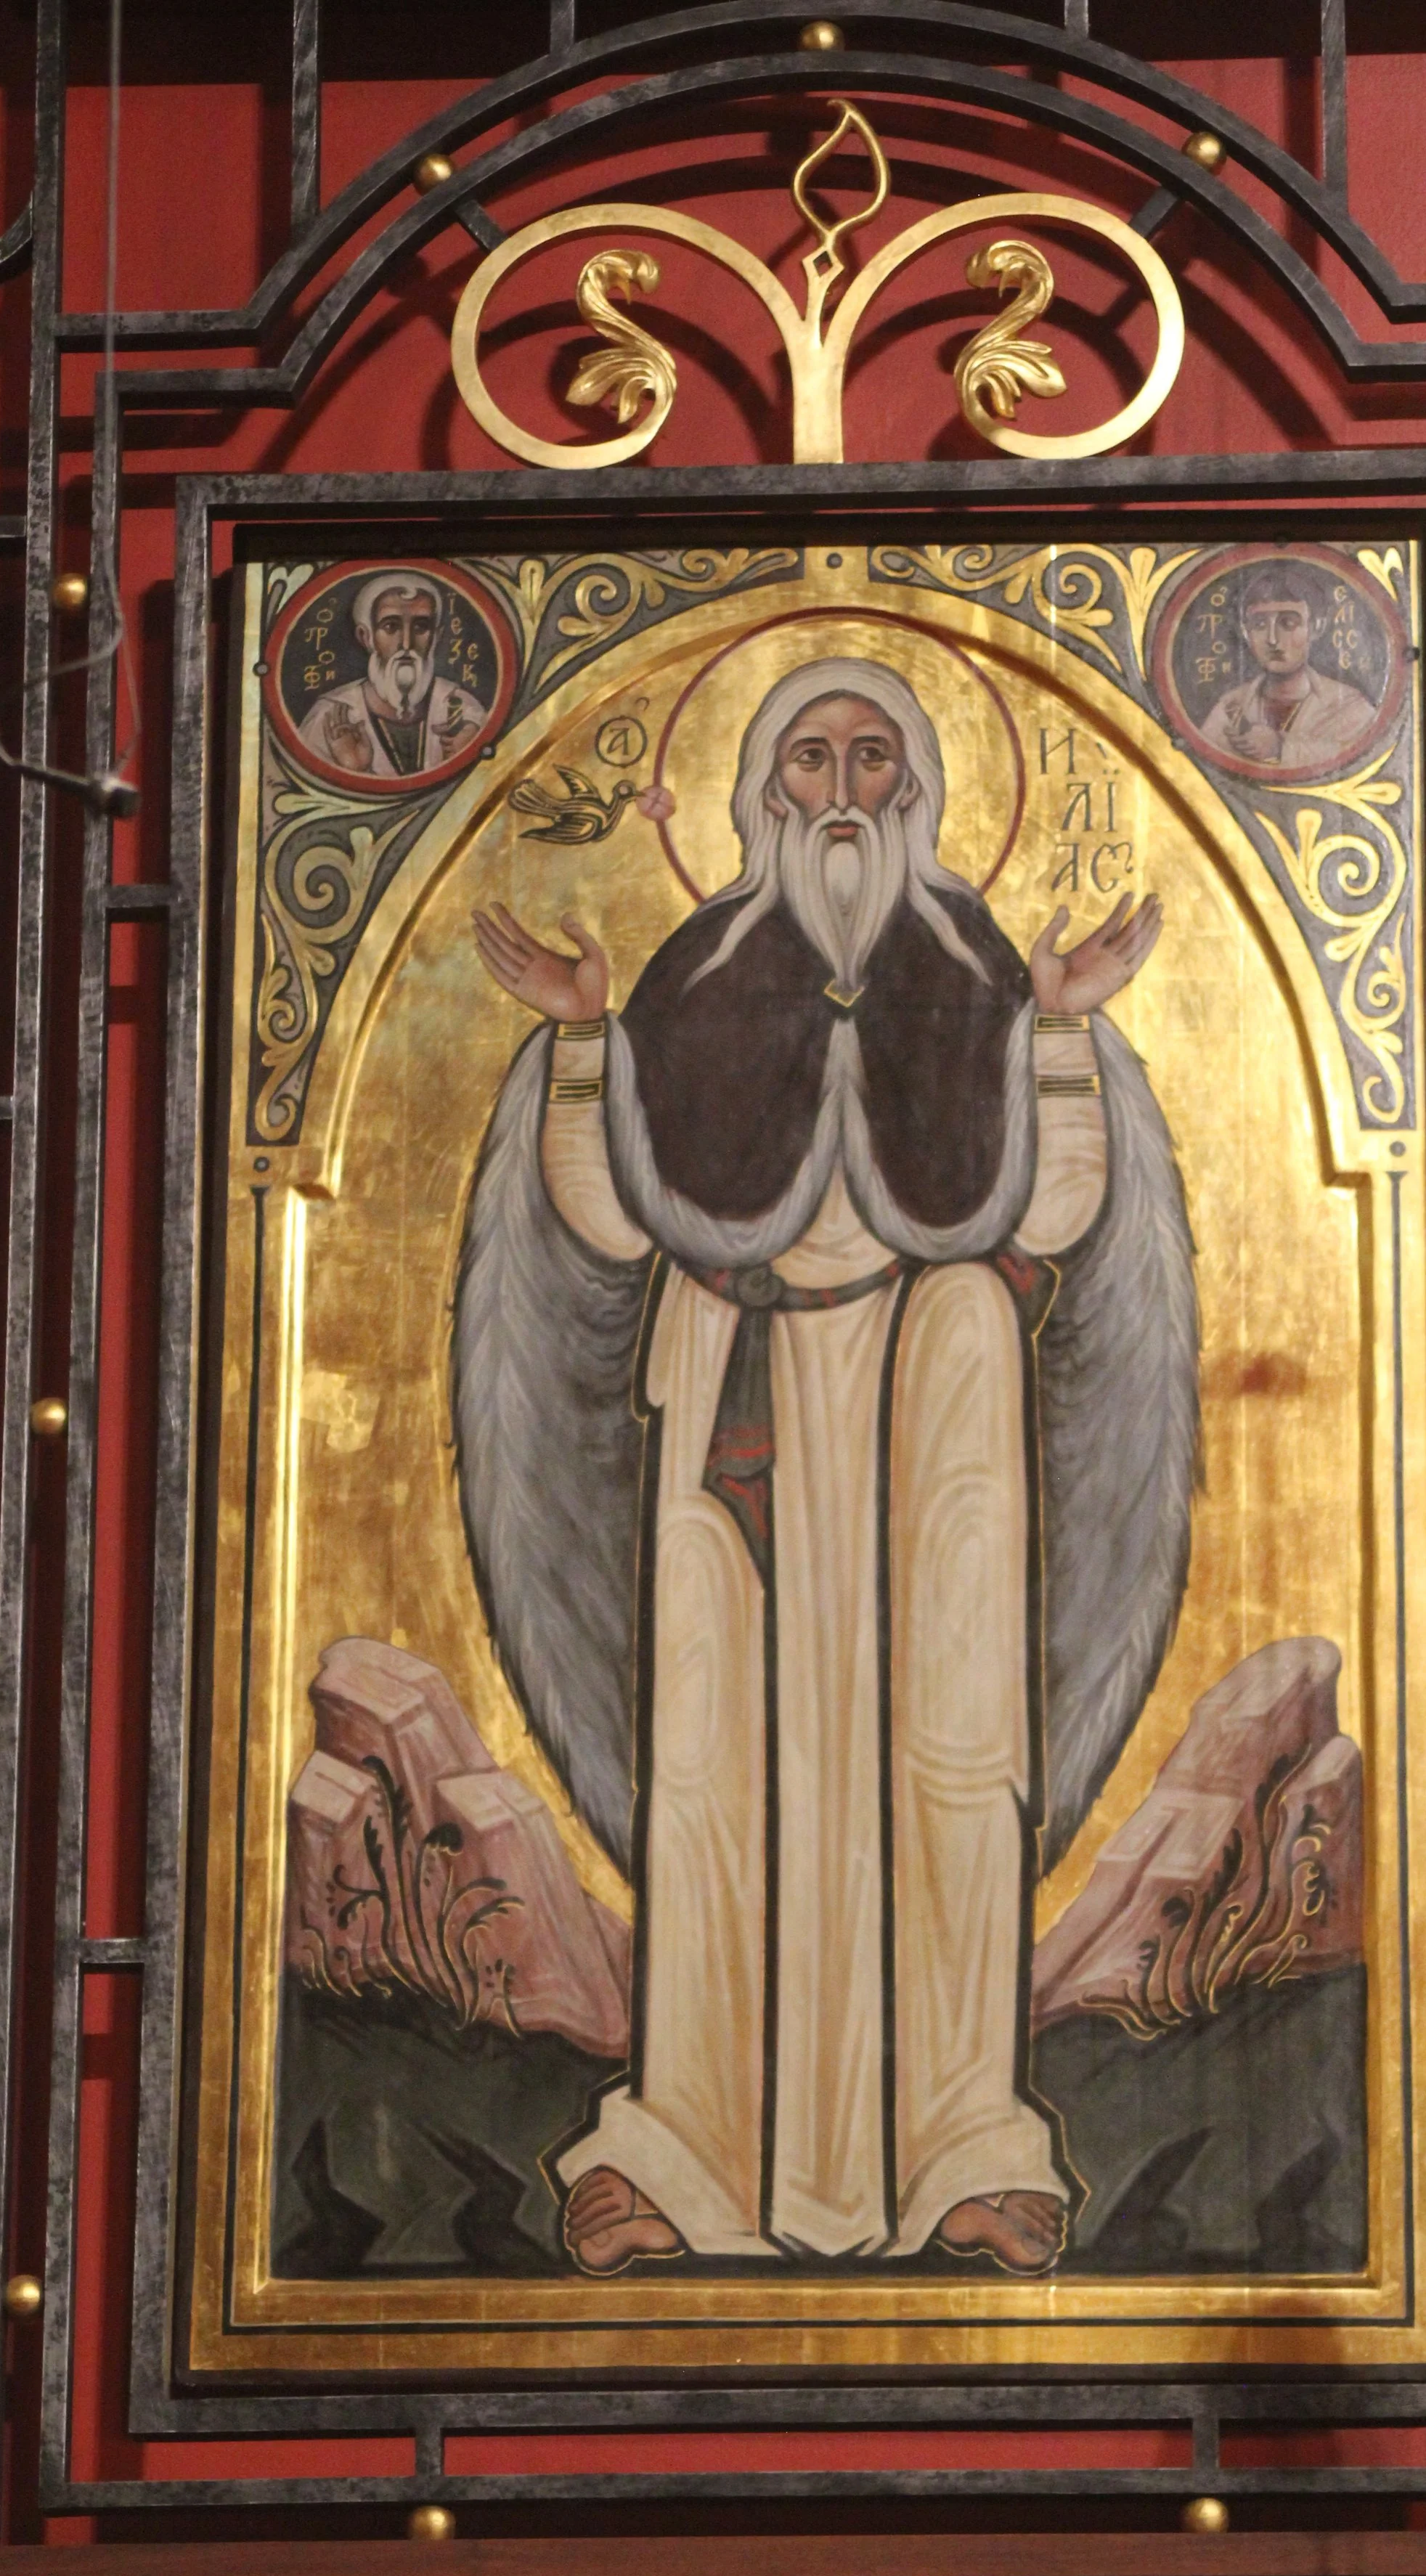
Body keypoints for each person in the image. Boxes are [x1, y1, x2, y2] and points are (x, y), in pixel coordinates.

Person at [452, 657, 1199, 2277]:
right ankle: (682, 2155)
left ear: (921, 784)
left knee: (950, 1765)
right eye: (809, 759)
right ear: (759, 791)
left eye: (873, 754)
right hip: (741, 1390)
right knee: (717, 1775)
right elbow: (601, 1215)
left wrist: (1060, 1032)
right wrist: (585, 1046)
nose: (842, 789)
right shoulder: (697, 975)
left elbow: (1057, 1212)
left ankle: (963, 2152)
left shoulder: (980, 969)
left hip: (943, 1396)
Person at [298, 572, 486, 778]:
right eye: (391, 626)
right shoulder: (329, 719)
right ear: (366, 637)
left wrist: (471, 761)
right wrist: (356, 772)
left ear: (436, 637)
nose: (406, 643)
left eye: (421, 627)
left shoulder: (465, 712)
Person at [1205, 561, 1377, 770]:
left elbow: (1363, 758)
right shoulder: (1230, 708)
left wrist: (1281, 748)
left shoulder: (1349, 707)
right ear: (1245, 631)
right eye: (1259, 625)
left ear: (1316, 627)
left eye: (1288, 623)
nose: (1272, 639)